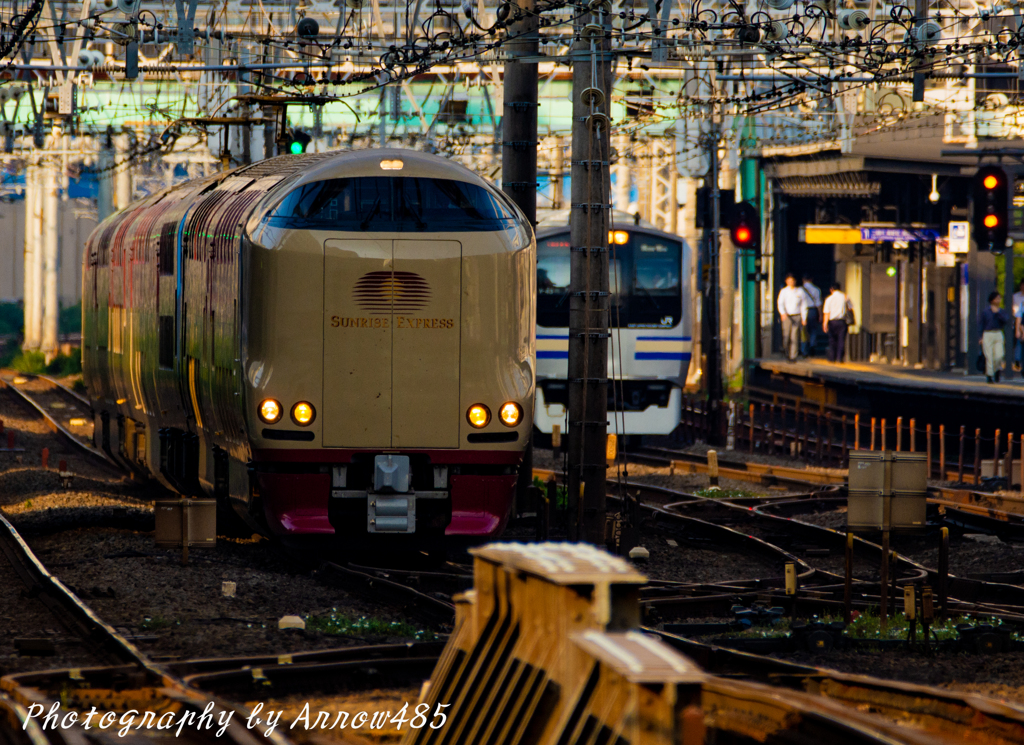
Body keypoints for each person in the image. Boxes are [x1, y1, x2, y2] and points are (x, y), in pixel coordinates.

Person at [980, 291, 1011, 383]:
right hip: (987, 333)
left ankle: (997, 369)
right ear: (992, 300)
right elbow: (981, 324)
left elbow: (1006, 320)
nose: (998, 300)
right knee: (989, 355)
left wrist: (997, 313)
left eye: (999, 298)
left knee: (999, 355)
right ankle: (989, 375)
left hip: (998, 333)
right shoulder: (985, 311)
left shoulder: (1001, 311)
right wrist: (980, 337)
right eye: (997, 298)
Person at [777, 273, 807, 362]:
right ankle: (785, 351)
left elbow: (803, 305)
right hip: (787, 316)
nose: (791, 282)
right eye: (789, 281)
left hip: (797, 315)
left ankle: (793, 356)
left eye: (792, 280)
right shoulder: (783, 291)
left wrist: (804, 318)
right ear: (786, 281)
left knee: (795, 336)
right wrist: (783, 313)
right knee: (786, 335)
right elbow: (780, 303)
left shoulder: (800, 291)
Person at [822, 282, 854, 363]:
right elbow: (850, 308)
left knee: (832, 340)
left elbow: (826, 312)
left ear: (831, 289)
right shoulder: (845, 297)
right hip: (842, 321)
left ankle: (832, 357)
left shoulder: (829, 299)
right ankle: (839, 358)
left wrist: (825, 323)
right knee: (841, 340)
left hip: (832, 321)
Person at [800, 274, 823, 357]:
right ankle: (812, 345)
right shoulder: (816, 290)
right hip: (813, 310)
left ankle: (804, 350)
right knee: (813, 330)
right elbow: (818, 303)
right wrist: (820, 315)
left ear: (803, 279)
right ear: (811, 279)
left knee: (803, 331)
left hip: (803, 311)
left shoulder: (800, 290)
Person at [1013, 279, 1024, 372]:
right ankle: (1017, 360)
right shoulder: (1016, 297)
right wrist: (1017, 329)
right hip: (1021, 325)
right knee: (1019, 344)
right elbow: (1019, 316)